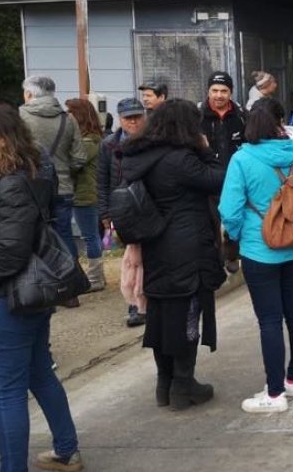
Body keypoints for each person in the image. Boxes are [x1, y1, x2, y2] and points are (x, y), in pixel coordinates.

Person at [0, 104, 85, 472]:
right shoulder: (22, 174)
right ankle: (66, 449)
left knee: (8, 390)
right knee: (39, 372)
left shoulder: (10, 184)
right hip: (29, 293)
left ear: (4, 136)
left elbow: (8, 253)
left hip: (5, 298)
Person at [218, 99, 293, 413]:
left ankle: (273, 395)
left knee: (269, 321)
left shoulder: (242, 159)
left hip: (260, 251)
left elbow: (228, 211)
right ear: (280, 122)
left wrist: (243, 233)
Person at [121, 99, 226, 411]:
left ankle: (164, 383)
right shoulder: (180, 159)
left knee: (161, 315)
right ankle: (183, 384)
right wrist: (206, 150)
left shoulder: (140, 156)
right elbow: (218, 178)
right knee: (188, 314)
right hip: (187, 247)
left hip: (155, 245)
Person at [19, 76, 87, 268]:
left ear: (29, 94)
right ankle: (72, 285)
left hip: (30, 188)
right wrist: (64, 171)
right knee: (64, 234)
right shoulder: (68, 118)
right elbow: (80, 158)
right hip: (63, 188)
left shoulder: (19, 117)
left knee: (33, 237)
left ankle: (42, 285)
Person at [98, 98, 149, 328]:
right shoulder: (109, 144)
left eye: (137, 116)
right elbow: (102, 180)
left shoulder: (153, 140)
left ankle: (146, 302)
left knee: (147, 257)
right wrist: (105, 214)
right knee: (130, 259)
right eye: (128, 118)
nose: (134, 122)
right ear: (120, 119)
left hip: (147, 206)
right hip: (122, 207)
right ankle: (134, 305)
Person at [64, 98, 105, 292]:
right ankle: (96, 276)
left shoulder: (88, 142)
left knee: (90, 236)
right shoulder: (94, 138)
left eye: (70, 112)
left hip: (85, 194)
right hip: (85, 193)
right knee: (91, 235)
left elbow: (74, 163)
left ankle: (96, 277)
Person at [199, 71, 245, 168]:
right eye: (214, 91)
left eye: (224, 91)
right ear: (208, 91)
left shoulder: (242, 116)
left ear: (231, 92)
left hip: (236, 173)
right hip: (206, 176)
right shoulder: (197, 116)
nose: (219, 95)